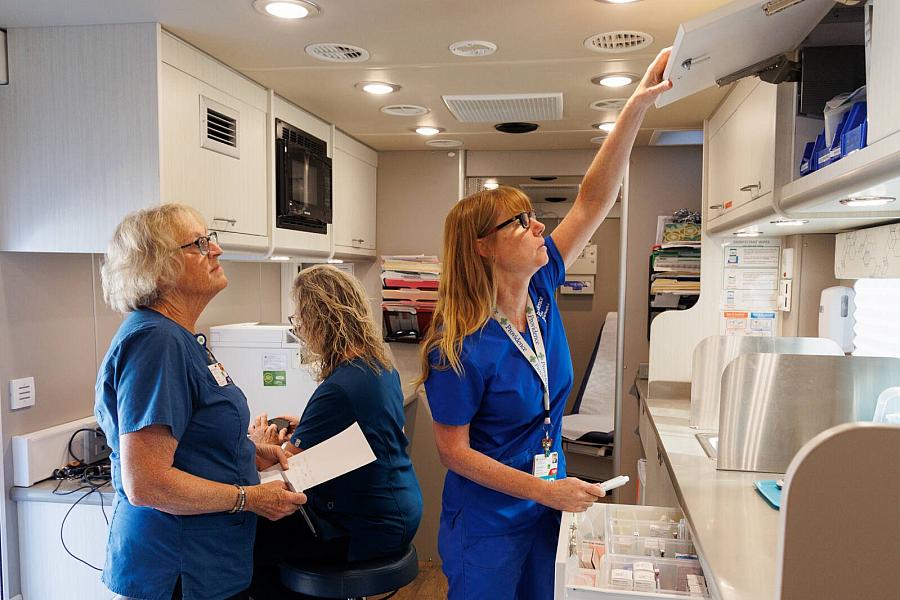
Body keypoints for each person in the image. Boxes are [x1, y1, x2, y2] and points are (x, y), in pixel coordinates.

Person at [418, 48, 674, 600]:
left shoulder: (540, 290)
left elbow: (593, 198)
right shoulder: (456, 345)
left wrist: (636, 105)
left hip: (545, 504)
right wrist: (546, 490)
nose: (539, 226)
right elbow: (453, 454)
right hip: (487, 522)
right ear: (482, 247)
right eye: (521, 220)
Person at [95, 204, 307, 600]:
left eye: (211, 238)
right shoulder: (155, 342)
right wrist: (249, 497)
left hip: (208, 562)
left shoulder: (179, 337)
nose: (216, 251)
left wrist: (248, 455)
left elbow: (194, 444)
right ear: (158, 268)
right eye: (199, 243)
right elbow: (148, 483)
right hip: (177, 569)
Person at [251, 265, 423, 597]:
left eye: (300, 320)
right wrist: (310, 430)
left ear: (320, 320)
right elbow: (362, 434)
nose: (298, 329)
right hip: (397, 510)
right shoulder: (378, 366)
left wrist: (262, 445)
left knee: (251, 540)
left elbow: (282, 476)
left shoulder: (339, 388)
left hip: (367, 529)